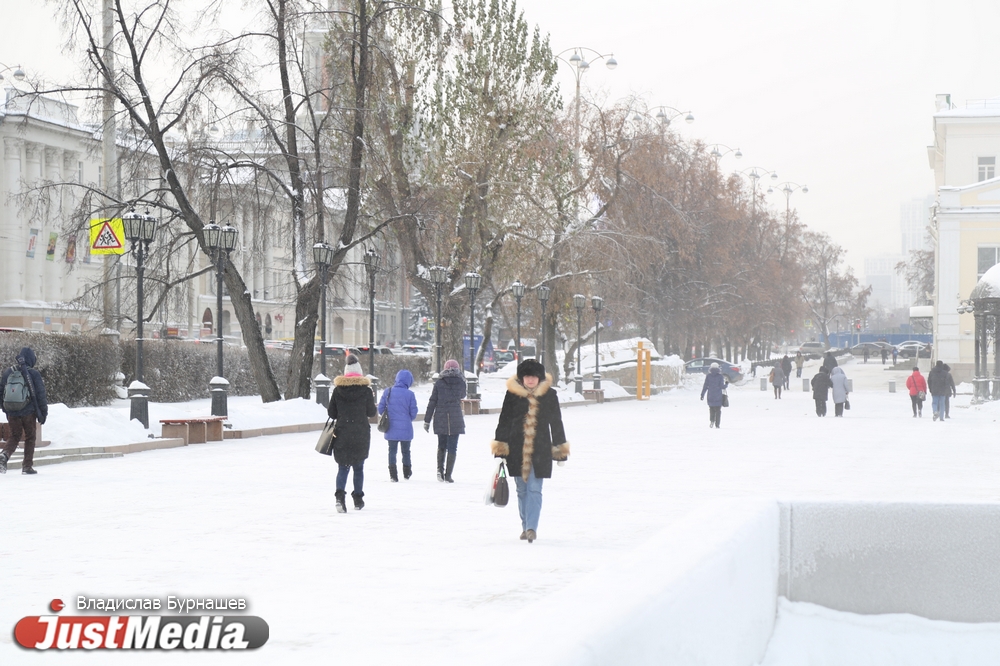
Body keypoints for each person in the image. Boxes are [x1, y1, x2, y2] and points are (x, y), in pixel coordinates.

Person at [491, 359, 569, 543]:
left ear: (539, 377)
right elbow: (504, 421)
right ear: (522, 378)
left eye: (534, 376)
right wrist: (501, 448)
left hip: (540, 448)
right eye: (527, 376)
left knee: (535, 488)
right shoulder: (512, 395)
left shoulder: (549, 395)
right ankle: (525, 525)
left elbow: (556, 422)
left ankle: (532, 528)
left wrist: (560, 448)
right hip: (516, 447)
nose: (531, 380)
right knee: (521, 490)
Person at [328, 354, 377, 513]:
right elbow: (371, 413)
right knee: (358, 467)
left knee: (343, 467)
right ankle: (358, 498)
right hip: (360, 433)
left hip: (342, 432)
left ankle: (339, 498)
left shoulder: (337, 390)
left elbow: (332, 413)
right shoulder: (366, 391)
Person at [0, 347, 48, 475]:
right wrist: (43, 413)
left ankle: (4, 455)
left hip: (12, 411)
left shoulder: (8, 372)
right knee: (30, 437)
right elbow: (40, 395)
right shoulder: (33, 374)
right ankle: (27, 466)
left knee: (14, 436)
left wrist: (6, 409)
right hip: (28, 411)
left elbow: (1, 393)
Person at [424, 359, 466, 483]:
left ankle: (439, 470)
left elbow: (432, 402)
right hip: (455, 417)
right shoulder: (461, 382)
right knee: (453, 447)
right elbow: (462, 395)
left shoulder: (439, 383)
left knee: (441, 444)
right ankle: (448, 475)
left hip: (441, 416)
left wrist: (427, 420)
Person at [378, 369, 418, 482]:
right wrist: (406, 419)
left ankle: (393, 475)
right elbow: (413, 413)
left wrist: (389, 415)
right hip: (406, 428)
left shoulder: (388, 391)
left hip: (391, 427)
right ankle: (407, 473)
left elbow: (380, 409)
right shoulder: (410, 394)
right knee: (406, 451)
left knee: (392, 451)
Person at [700, 362, 727, 428]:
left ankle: (712, 420)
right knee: (718, 410)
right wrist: (726, 384)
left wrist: (702, 395)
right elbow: (722, 386)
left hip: (710, 395)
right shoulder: (720, 376)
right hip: (718, 396)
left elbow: (705, 386)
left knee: (711, 409)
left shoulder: (708, 376)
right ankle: (717, 424)